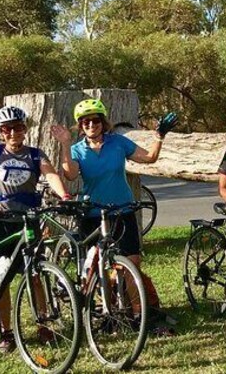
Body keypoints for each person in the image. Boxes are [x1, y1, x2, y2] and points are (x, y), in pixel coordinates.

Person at [51, 99, 178, 335]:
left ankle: (140, 317)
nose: (91, 125)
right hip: (92, 214)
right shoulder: (78, 149)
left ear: (103, 122)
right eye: (86, 121)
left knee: (131, 265)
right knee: (97, 267)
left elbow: (149, 157)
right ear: (81, 125)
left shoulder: (117, 142)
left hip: (122, 211)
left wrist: (160, 135)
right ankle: (106, 312)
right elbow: (69, 175)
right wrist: (65, 145)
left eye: (95, 120)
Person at [0, 106, 70, 353]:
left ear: (25, 129)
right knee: (2, 281)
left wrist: (64, 195)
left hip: (28, 221)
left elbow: (51, 175)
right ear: (1, 132)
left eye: (17, 127)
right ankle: (6, 332)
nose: (13, 133)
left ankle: (43, 324)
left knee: (35, 275)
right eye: (7, 129)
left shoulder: (35, 155)